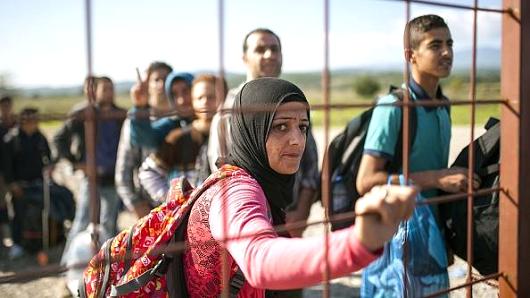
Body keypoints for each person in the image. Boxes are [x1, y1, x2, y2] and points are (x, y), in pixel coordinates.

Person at [181, 77, 417, 297]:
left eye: (302, 127)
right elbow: (259, 259)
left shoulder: (256, 182)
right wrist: (358, 242)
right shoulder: (235, 191)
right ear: (252, 129)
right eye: (281, 127)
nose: (297, 140)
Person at [357, 14, 480, 203]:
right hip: (400, 228)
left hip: (434, 226)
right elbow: (365, 181)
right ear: (410, 55)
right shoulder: (393, 107)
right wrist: (436, 178)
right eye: (435, 46)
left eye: (450, 44)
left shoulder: (443, 105)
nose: (447, 52)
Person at [208, 28, 319, 238]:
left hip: (289, 217)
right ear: (245, 58)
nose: (269, 55)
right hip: (246, 220)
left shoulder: (292, 101)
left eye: (274, 49)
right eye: (260, 49)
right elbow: (221, 173)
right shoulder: (229, 111)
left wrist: (301, 213)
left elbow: (310, 165)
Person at [54, 76, 125, 245]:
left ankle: (107, 267)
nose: (109, 92)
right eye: (105, 89)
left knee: (109, 225)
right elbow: (59, 139)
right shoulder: (84, 114)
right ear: (96, 91)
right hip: (91, 178)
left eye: (111, 88)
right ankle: (68, 265)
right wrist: (76, 163)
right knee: (82, 222)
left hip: (112, 177)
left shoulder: (120, 115)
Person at [138, 74, 227, 202]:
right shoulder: (179, 137)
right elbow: (148, 172)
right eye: (199, 98)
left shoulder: (232, 135)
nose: (205, 102)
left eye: (211, 97)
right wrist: (173, 201)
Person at [115, 61, 172, 218]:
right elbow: (122, 172)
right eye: (156, 80)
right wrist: (135, 204)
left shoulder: (182, 119)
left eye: (166, 79)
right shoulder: (134, 123)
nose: (161, 84)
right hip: (150, 210)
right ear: (148, 86)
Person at [1, 107, 52, 258]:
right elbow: (6, 165)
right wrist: (12, 184)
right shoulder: (11, 139)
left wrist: (50, 167)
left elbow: (48, 157)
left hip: (38, 184)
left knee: (38, 214)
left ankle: (38, 243)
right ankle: (17, 244)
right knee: (18, 214)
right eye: (31, 119)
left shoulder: (40, 138)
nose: (34, 122)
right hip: (19, 185)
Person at [0, 95, 16, 246]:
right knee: (2, 205)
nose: (6, 110)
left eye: (8, 107)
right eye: (3, 107)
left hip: (15, 172)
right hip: (1, 173)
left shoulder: (15, 125)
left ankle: (15, 237)